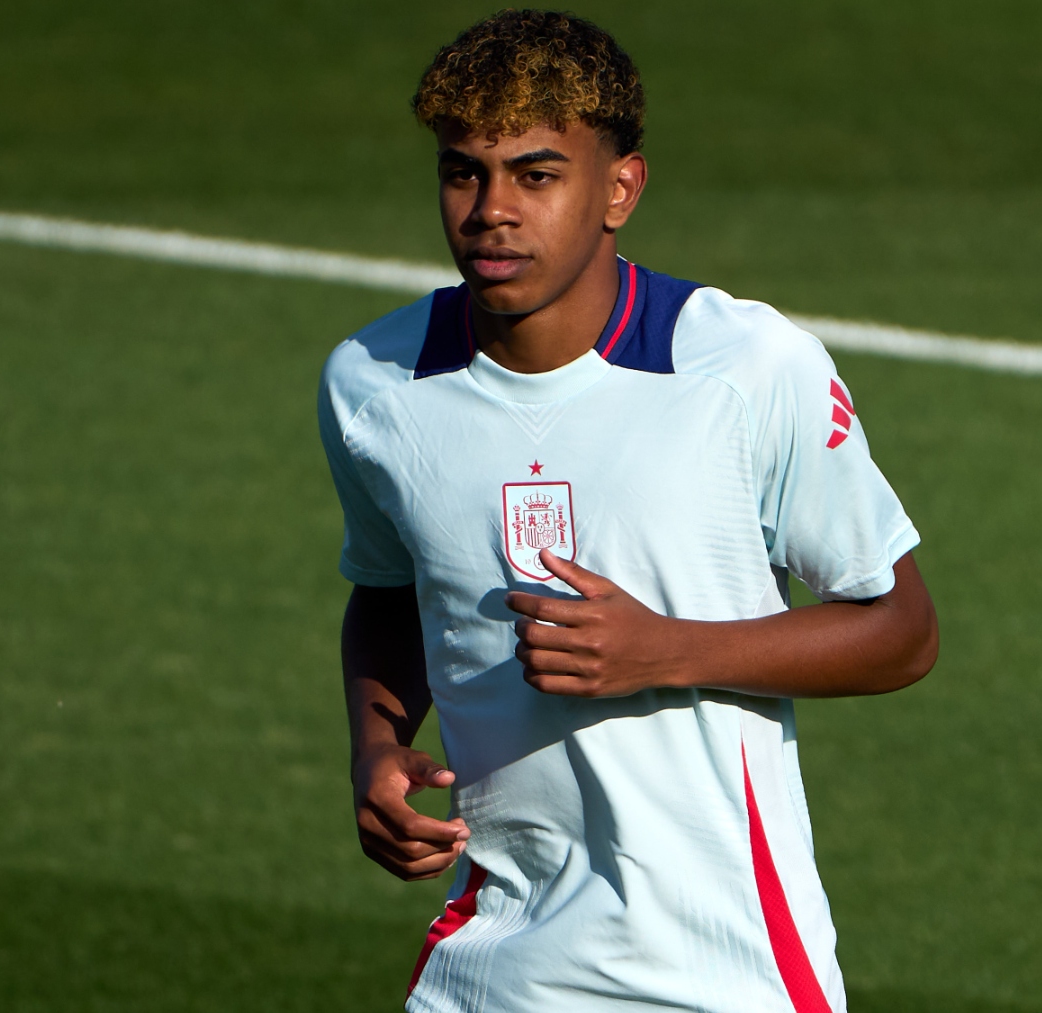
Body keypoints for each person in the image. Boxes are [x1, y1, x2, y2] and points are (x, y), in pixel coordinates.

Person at [317, 10, 939, 1012]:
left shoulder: (740, 368)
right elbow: (391, 586)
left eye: (536, 173)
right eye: (463, 171)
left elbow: (901, 631)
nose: (491, 211)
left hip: (719, 970)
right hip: (492, 963)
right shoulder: (376, 387)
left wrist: (663, 650)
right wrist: (378, 745)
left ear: (620, 187)